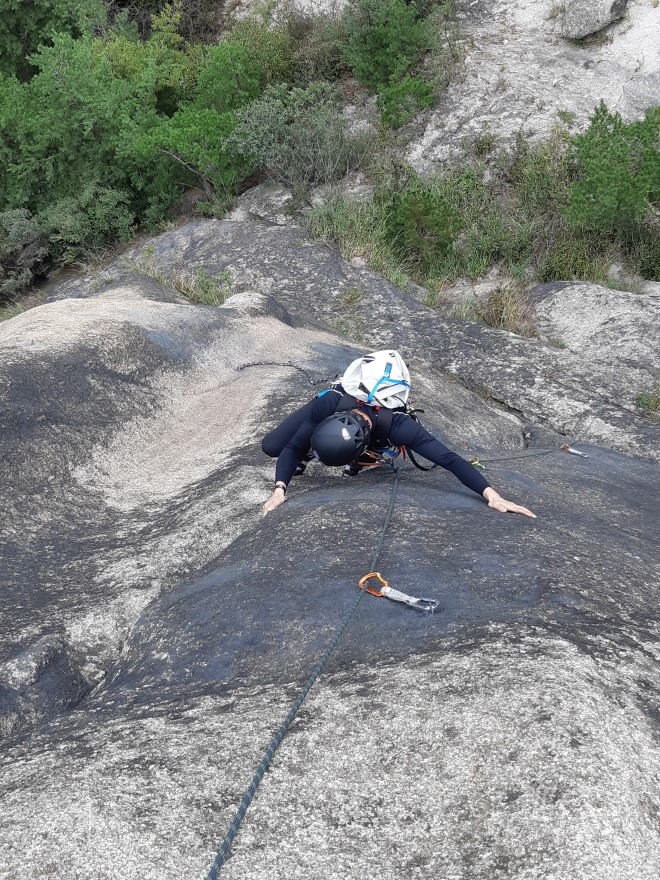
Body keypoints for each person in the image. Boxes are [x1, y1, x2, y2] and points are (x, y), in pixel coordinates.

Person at [261, 350, 536, 519]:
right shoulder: (330, 403)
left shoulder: (398, 427)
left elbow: (448, 459)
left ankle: (368, 455)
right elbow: (293, 445)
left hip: (376, 433)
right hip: (340, 410)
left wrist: (492, 495)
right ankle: (312, 451)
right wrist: (280, 489)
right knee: (272, 446)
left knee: (362, 451)